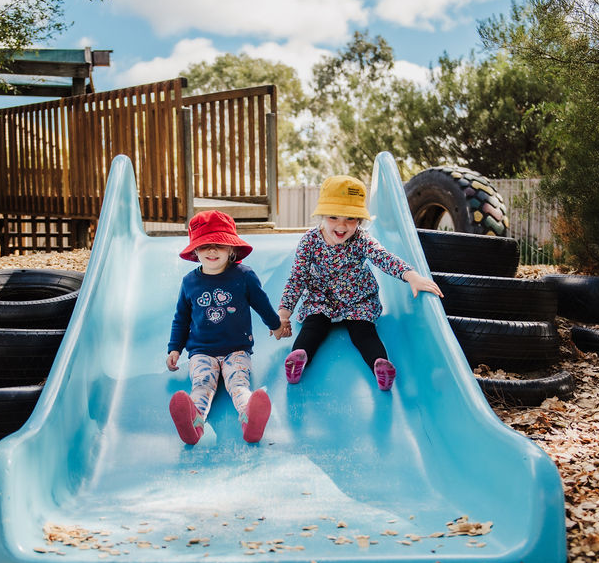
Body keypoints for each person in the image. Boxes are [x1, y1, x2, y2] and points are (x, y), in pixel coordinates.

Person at [277, 175, 443, 390]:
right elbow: (297, 276)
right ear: (322, 216)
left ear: (360, 221)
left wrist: (410, 275)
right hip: (322, 298)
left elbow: (382, 257)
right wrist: (283, 314)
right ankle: (299, 358)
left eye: (350, 219)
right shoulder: (309, 241)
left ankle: (379, 364)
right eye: (333, 217)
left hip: (358, 300)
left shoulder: (362, 239)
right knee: (313, 326)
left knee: (363, 331)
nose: (341, 225)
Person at [167, 210, 292, 445]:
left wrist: (276, 326)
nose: (212, 251)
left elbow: (261, 303)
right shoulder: (189, 282)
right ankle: (194, 423)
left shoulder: (244, 276)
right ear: (195, 250)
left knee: (238, 383)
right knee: (202, 384)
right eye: (205, 246)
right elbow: (181, 318)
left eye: (219, 245)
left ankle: (249, 418)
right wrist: (174, 348)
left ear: (231, 249)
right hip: (201, 351)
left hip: (237, 349)